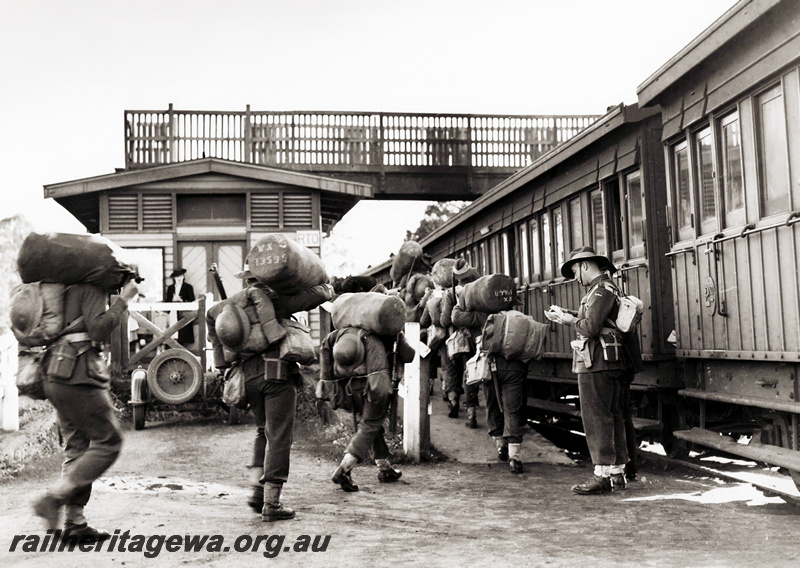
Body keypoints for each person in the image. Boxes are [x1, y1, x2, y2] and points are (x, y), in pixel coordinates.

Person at [33, 277, 140, 540]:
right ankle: (54, 498)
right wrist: (123, 300)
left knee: (76, 446)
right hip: (78, 374)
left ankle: (75, 524)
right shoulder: (89, 286)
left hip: (55, 374)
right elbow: (97, 330)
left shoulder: (57, 288)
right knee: (109, 441)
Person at [545, 246, 643, 494]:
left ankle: (601, 475)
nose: (575, 277)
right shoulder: (607, 289)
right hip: (610, 361)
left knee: (596, 418)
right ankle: (618, 473)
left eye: (576, 270)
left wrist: (568, 320)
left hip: (597, 363)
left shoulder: (600, 290)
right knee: (613, 417)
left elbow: (589, 328)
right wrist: (566, 314)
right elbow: (595, 320)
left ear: (586, 265)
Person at [206, 266, 300, 522]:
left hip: (250, 379)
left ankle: (257, 489)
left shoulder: (231, 309)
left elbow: (216, 333)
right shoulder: (275, 302)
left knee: (263, 430)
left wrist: (223, 366)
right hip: (277, 375)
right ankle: (272, 502)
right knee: (279, 435)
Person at [319, 326, 413, 492]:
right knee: (370, 426)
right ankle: (344, 469)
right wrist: (399, 336)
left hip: (350, 390)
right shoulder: (384, 332)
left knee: (372, 426)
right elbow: (409, 355)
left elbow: (325, 348)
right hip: (373, 388)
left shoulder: (342, 332)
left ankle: (384, 468)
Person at [451, 275, 528, 474]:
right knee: (512, 408)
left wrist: (463, 297)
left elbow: (455, 317)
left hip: (490, 367)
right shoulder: (515, 315)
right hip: (514, 367)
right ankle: (515, 456)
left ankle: (500, 444)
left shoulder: (479, 316)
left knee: (492, 403)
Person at [440, 259, 480, 426]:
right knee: (471, 372)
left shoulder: (450, 293)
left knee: (452, 370)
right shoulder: (478, 289)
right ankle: (471, 415)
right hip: (475, 337)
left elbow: (444, 320)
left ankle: (454, 400)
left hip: (457, 339)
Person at [164, 268, 195, 347]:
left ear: (183, 277)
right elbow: (167, 301)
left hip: (184, 314)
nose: (179, 278)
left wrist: (181, 300)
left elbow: (192, 300)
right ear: (174, 278)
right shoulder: (171, 288)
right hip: (173, 313)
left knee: (183, 335)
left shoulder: (188, 287)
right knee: (171, 332)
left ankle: (181, 349)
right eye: (177, 277)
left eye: (180, 276)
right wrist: (172, 300)